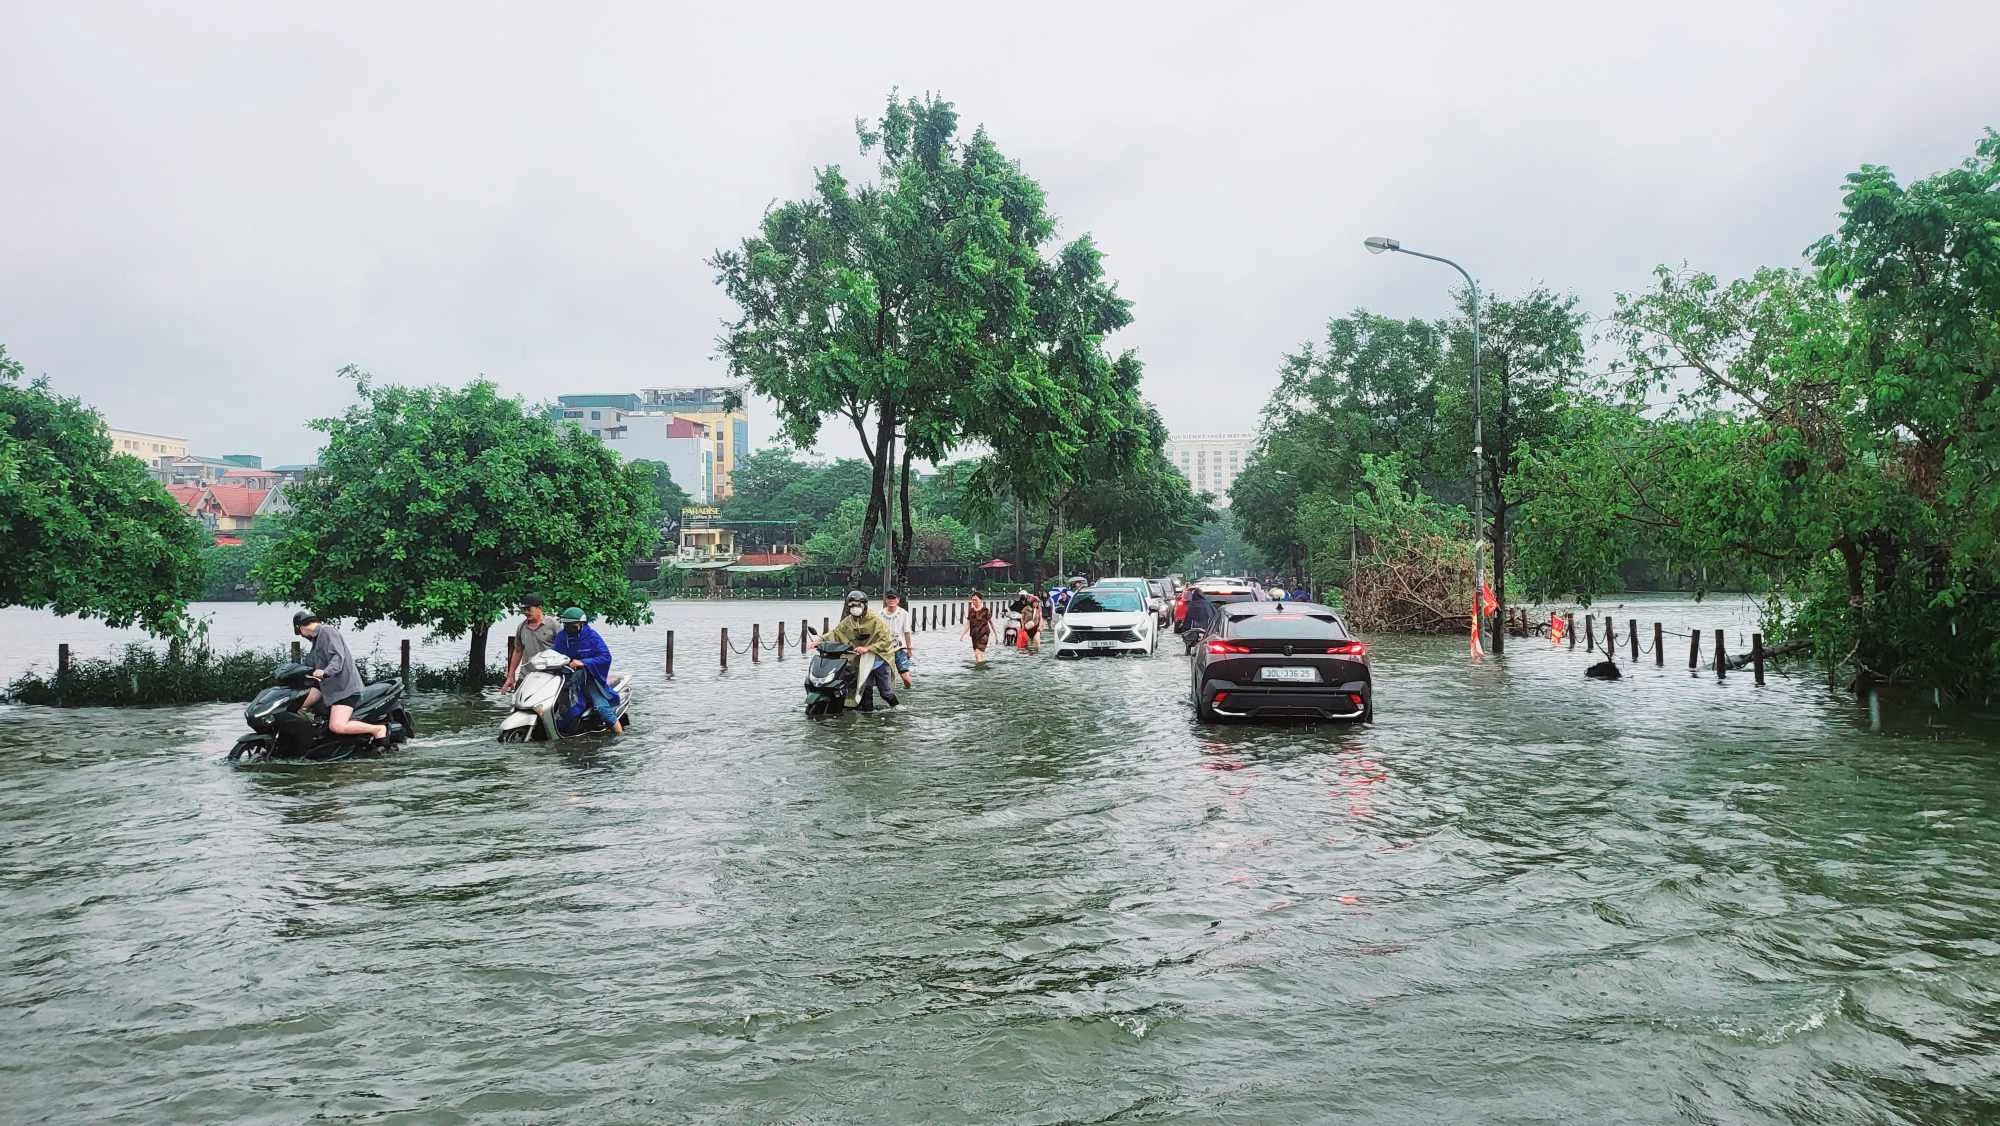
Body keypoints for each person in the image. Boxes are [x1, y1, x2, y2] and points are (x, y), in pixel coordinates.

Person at [294, 610, 390, 742]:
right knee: (295, 705)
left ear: (300, 627)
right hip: (326, 687)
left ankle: (378, 730)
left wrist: (325, 672)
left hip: (344, 689)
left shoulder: (327, 632)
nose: (301, 636)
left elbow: (338, 657)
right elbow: (310, 665)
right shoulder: (316, 641)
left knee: (337, 726)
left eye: (299, 633)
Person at [551, 606, 623, 735]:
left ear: (582, 624)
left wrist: (583, 662)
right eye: (566, 625)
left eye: (572, 625)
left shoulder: (592, 637)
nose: (568, 628)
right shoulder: (562, 637)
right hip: (567, 678)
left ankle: (620, 734)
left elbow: (605, 657)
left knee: (602, 708)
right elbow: (555, 654)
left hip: (589, 678)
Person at [825, 590, 899, 710]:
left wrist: (867, 648)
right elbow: (836, 633)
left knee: (886, 693)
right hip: (864, 662)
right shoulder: (849, 621)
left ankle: (897, 708)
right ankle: (867, 720)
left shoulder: (875, 620)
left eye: (857, 605)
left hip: (879, 659)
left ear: (864, 605)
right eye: (852, 605)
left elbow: (886, 641)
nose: (855, 608)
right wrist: (818, 641)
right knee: (865, 692)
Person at [501, 594, 557, 693]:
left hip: (549, 676)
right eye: (523, 609)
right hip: (526, 676)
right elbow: (518, 651)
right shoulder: (521, 627)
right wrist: (511, 675)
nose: (525, 612)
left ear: (539, 608)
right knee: (518, 705)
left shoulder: (553, 624)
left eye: (528, 609)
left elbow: (564, 648)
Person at [880, 589, 916, 690]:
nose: (891, 600)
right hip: (885, 650)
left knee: (906, 678)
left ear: (898, 600)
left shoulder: (904, 614)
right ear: (886, 600)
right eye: (889, 598)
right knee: (886, 679)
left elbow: (907, 632)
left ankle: (907, 691)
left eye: (893, 598)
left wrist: (909, 649)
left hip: (900, 649)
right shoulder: (880, 614)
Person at [959, 591, 994, 665]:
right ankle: (981, 669)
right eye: (973, 599)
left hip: (984, 634)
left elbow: (991, 623)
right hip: (974, 635)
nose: (973, 601)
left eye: (975, 599)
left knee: (977, 653)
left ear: (980, 600)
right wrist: (962, 634)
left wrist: (996, 635)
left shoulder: (985, 610)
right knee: (978, 654)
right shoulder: (971, 611)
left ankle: (980, 670)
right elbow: (968, 624)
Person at [1018, 589, 1044, 653]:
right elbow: (1022, 618)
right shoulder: (1026, 608)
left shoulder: (1039, 609)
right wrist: (1023, 626)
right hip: (1027, 628)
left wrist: (1040, 627)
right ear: (1032, 602)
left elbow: (1041, 619)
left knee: (1036, 644)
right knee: (1026, 645)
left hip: (1036, 628)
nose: (1036, 603)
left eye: (1037, 602)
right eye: (1035, 602)